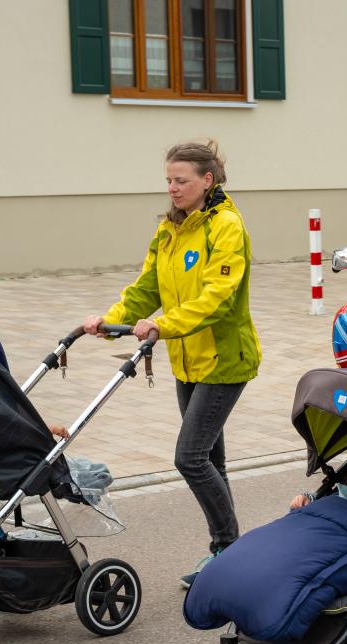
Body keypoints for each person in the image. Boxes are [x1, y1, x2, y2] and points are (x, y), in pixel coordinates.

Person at [82, 140, 261, 588]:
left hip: (224, 358)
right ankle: (231, 556)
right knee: (210, 460)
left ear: (207, 180)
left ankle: (227, 549)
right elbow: (147, 288)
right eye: (168, 180)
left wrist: (164, 326)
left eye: (181, 181)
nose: (173, 188)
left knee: (190, 457)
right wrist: (111, 320)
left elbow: (217, 298)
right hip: (187, 360)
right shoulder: (169, 230)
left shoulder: (226, 227)